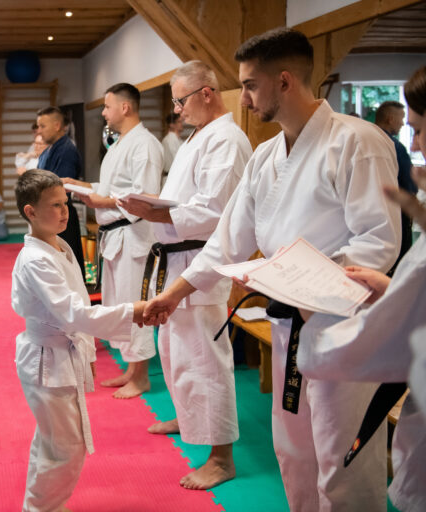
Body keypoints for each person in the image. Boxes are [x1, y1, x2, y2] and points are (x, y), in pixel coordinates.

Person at [144, 28, 400, 511]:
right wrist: (174, 292)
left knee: (341, 458)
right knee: (294, 448)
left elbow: (377, 241)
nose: (242, 98)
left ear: (284, 81)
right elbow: (228, 239)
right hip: (286, 320)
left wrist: (311, 286)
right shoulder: (265, 156)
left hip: (341, 324)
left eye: (249, 85)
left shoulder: (356, 142)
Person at [118, 60, 252, 489]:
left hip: (201, 261)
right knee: (175, 353)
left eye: (180, 101)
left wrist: (154, 211)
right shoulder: (199, 136)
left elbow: (215, 212)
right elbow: (184, 199)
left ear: (206, 93)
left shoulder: (227, 140)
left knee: (206, 362)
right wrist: (151, 204)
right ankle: (188, 417)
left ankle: (222, 458)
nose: (177, 110)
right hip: (176, 260)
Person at [297, 65, 426, 512]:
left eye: (419, 129)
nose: (416, 145)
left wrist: (315, 329)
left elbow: (380, 344)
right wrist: (394, 289)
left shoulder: (360, 141)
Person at [12, 169, 146, 512]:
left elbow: (80, 303)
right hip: (46, 360)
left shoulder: (60, 246)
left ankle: (43, 506)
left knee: (54, 442)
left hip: (61, 353)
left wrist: (88, 353)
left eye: (66, 203)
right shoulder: (35, 260)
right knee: (65, 446)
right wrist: (132, 311)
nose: (65, 212)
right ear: (30, 212)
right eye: (55, 205)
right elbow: (73, 313)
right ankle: (42, 508)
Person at [66, 82, 162, 399]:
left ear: (125, 107)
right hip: (115, 236)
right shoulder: (120, 144)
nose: (104, 113)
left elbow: (145, 196)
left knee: (136, 304)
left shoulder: (144, 145)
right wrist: (79, 185)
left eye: (107, 107)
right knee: (119, 304)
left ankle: (142, 376)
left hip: (134, 237)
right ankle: (132, 369)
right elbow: (110, 188)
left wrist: (99, 201)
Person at [36, 106, 86, 278]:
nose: (39, 131)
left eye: (42, 126)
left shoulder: (66, 150)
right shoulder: (48, 151)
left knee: (67, 271)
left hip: (61, 217)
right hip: (47, 216)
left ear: (57, 125)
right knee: (52, 269)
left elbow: (59, 190)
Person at [375, 100, 417, 265]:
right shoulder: (395, 147)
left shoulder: (364, 141)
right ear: (391, 119)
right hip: (397, 212)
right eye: (401, 118)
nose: (402, 123)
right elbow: (409, 185)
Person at [161, 112, 184, 178]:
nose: (181, 124)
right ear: (171, 125)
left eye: (181, 121)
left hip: (178, 175)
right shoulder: (169, 139)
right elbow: (178, 160)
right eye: (179, 122)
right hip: (171, 176)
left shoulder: (179, 140)